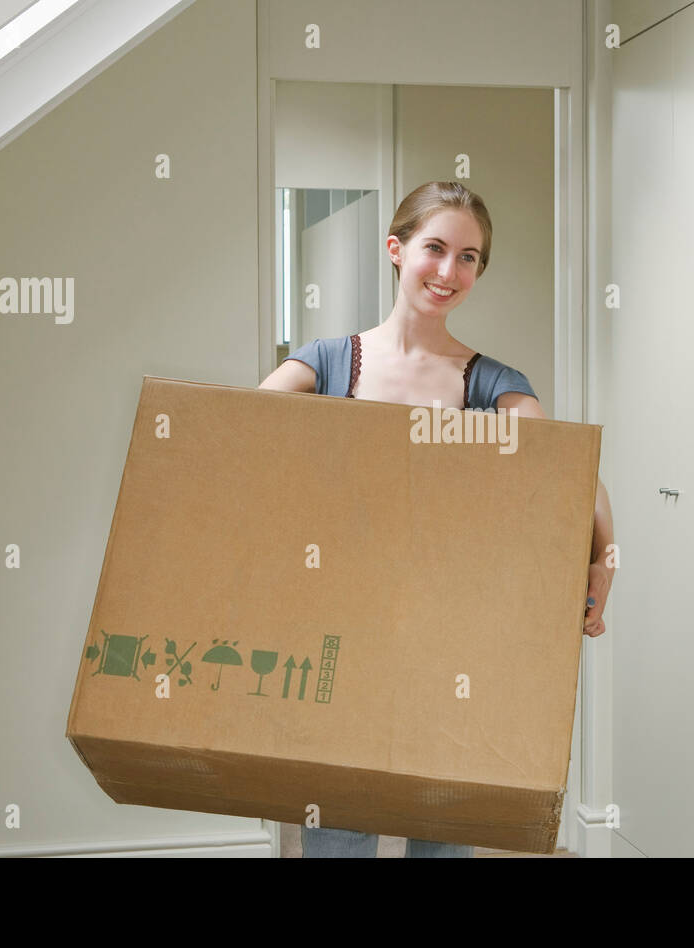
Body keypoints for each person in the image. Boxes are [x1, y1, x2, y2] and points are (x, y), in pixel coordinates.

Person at [258, 181, 615, 857]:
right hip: (343, 629)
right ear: (396, 251)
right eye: (435, 248)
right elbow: (231, 442)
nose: (449, 272)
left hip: (449, 637)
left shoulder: (490, 383)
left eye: (470, 257)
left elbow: (575, 478)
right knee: (339, 824)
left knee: (442, 827)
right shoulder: (328, 363)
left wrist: (604, 555)